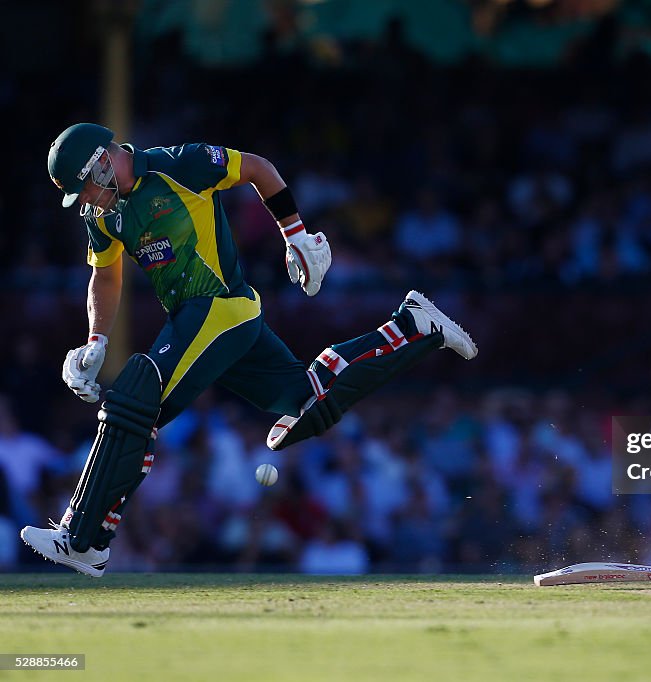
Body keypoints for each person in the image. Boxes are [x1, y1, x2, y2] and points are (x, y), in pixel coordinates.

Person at [21, 123, 477, 577]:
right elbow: (105, 274)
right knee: (308, 403)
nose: (85, 201)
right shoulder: (103, 215)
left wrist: (295, 234)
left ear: (102, 160)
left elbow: (257, 168)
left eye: (84, 189)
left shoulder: (179, 163)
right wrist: (96, 339)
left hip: (219, 305)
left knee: (135, 398)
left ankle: (84, 540)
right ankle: (416, 326)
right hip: (206, 319)